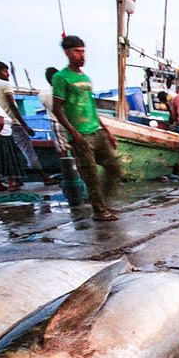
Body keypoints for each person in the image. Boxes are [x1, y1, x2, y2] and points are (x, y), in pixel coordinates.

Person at [52, 35, 122, 221]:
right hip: (80, 134)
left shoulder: (86, 78)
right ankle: (99, 211)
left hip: (96, 131)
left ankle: (103, 202)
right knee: (90, 175)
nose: (81, 56)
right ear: (67, 53)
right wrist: (73, 132)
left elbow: (91, 107)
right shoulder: (61, 78)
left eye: (83, 51)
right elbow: (57, 108)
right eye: (77, 51)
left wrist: (107, 131)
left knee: (114, 167)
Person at [0, 61, 55, 185]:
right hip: (13, 123)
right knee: (28, 150)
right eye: (5, 71)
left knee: (8, 153)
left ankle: (15, 179)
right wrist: (25, 125)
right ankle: (44, 177)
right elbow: (12, 106)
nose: (8, 74)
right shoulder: (5, 85)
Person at [39, 67, 69, 160]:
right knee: (75, 148)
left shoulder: (43, 93)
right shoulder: (66, 91)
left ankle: (67, 171)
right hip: (70, 122)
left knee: (62, 149)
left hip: (56, 123)